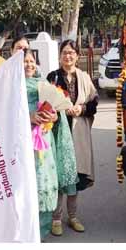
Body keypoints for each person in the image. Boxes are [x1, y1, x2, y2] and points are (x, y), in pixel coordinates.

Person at [46, 39, 99, 236]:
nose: (67, 56)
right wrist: (60, 109)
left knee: (74, 177)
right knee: (59, 176)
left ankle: (73, 216)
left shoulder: (84, 78)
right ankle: (56, 218)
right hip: (59, 133)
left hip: (78, 134)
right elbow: (45, 103)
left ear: (77, 56)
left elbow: (94, 102)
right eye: (64, 53)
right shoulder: (52, 77)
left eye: (71, 53)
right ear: (59, 56)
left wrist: (82, 108)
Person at [24, 52, 76, 240]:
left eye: (31, 61)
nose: (28, 65)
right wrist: (28, 117)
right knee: (28, 185)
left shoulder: (43, 84)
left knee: (44, 182)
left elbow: (56, 110)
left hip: (44, 142)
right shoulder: (12, 87)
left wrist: (53, 116)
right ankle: (27, 231)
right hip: (22, 142)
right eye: (24, 61)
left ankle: (43, 229)